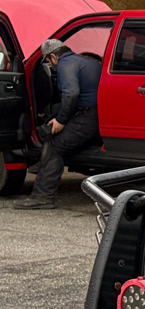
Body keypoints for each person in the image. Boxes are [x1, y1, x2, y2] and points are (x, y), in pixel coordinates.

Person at [14, 39, 102, 209]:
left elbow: (71, 93)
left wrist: (61, 120)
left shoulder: (65, 65)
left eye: (47, 60)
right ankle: (41, 162)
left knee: (55, 147)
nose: (49, 64)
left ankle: (43, 197)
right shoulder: (84, 61)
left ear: (53, 56)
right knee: (52, 120)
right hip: (97, 115)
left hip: (87, 117)